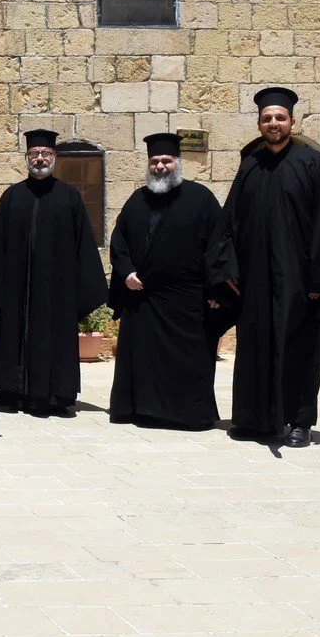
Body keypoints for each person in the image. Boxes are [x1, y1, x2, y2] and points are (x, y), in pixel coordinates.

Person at [211, 86, 320, 448]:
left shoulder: (313, 165)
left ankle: (299, 421)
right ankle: (255, 420)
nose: (274, 123)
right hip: (254, 279)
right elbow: (230, 221)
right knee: (255, 346)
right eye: (267, 118)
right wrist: (228, 269)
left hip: (298, 281)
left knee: (297, 347)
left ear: (292, 121)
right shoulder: (250, 165)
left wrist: (319, 278)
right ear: (259, 124)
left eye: (280, 118)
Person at [0, 129, 108, 417]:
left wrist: (80, 292)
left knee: (54, 338)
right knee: (12, 335)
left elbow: (83, 248)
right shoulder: (12, 196)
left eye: (45, 154)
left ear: (55, 157)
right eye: (34, 154)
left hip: (57, 292)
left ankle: (57, 396)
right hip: (16, 291)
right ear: (27, 158)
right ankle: (10, 392)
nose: (39, 158)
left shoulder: (69, 197)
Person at [107, 133, 224, 431]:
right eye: (154, 161)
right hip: (142, 297)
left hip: (186, 301)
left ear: (178, 163)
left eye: (166, 161)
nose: (160, 166)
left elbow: (219, 245)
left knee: (188, 363)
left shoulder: (201, 199)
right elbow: (118, 240)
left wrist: (216, 288)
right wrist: (126, 272)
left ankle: (187, 416)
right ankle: (142, 411)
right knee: (144, 361)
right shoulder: (137, 199)